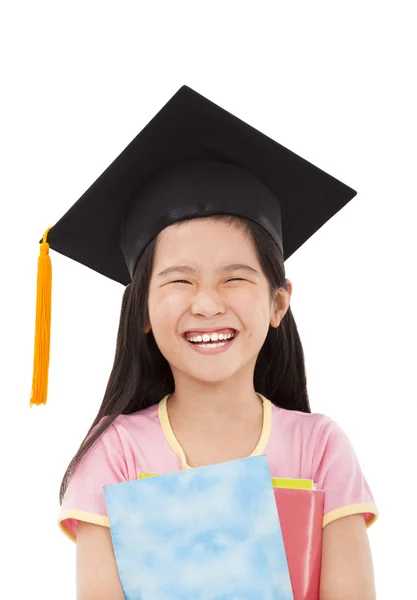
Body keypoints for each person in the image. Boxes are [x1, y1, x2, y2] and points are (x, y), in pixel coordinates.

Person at [31, 86, 379, 599]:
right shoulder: (118, 452)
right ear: (143, 312)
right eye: (179, 281)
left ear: (279, 303)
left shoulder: (319, 448)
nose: (207, 303)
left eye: (234, 278)